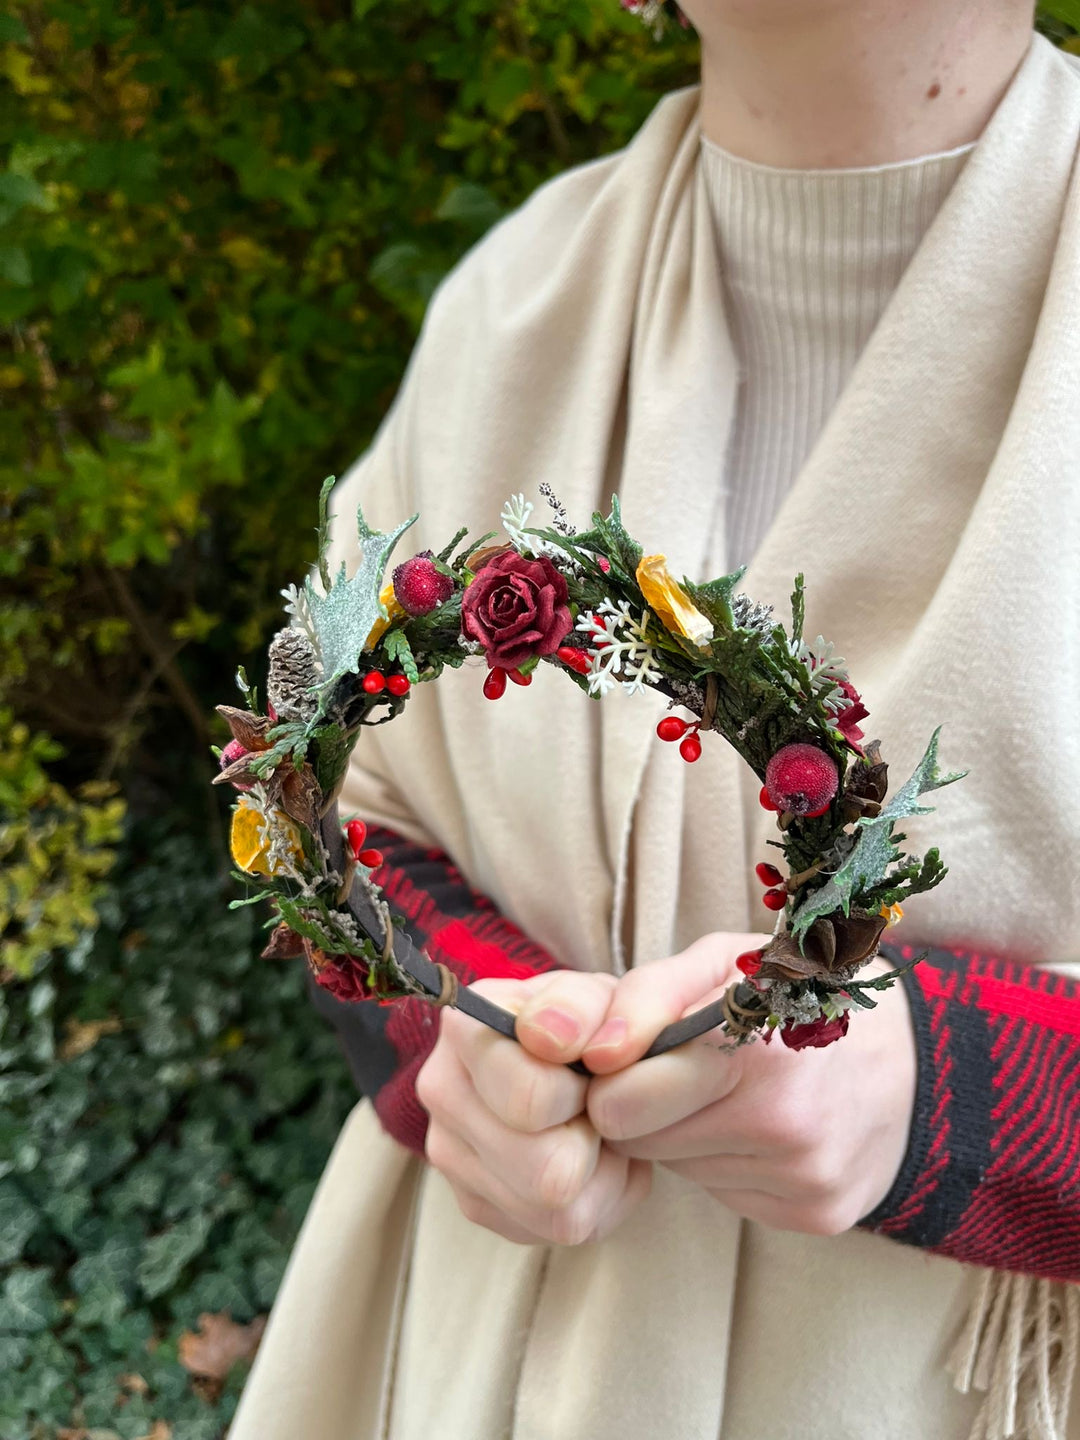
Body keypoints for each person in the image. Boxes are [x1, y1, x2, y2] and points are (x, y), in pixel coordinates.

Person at [231, 4, 1080, 1438]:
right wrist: (474, 1041)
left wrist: (952, 1101)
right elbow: (331, 816)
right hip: (484, 1364)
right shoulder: (510, 305)